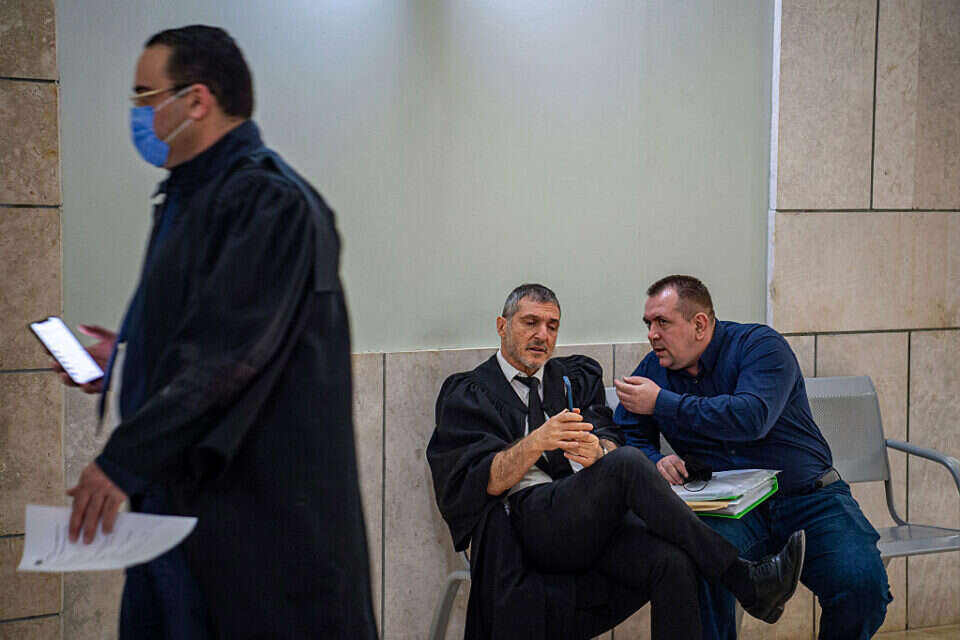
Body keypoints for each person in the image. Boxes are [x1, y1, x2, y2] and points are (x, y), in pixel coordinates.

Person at [54, 26, 377, 639]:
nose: (137, 113)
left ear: (197, 100)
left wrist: (120, 461)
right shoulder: (192, 197)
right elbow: (204, 334)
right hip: (179, 520)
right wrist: (122, 360)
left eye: (145, 96)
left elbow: (230, 360)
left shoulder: (270, 201)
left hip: (257, 537)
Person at [427, 284, 806, 640]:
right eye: (530, 323)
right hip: (527, 523)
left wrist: (600, 451)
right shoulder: (470, 392)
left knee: (672, 563)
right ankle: (742, 578)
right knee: (627, 463)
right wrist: (537, 441)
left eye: (552, 326)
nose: (542, 335)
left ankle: (744, 582)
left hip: (585, 517)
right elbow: (480, 481)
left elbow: (610, 435)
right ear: (502, 326)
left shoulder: (573, 378)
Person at [614, 274, 892, 640]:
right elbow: (624, 432)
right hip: (731, 509)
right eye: (648, 324)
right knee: (696, 567)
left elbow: (752, 417)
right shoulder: (654, 369)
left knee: (863, 585)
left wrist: (663, 403)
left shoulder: (760, 346)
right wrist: (655, 459)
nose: (652, 334)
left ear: (699, 324)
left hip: (809, 498)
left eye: (662, 322)